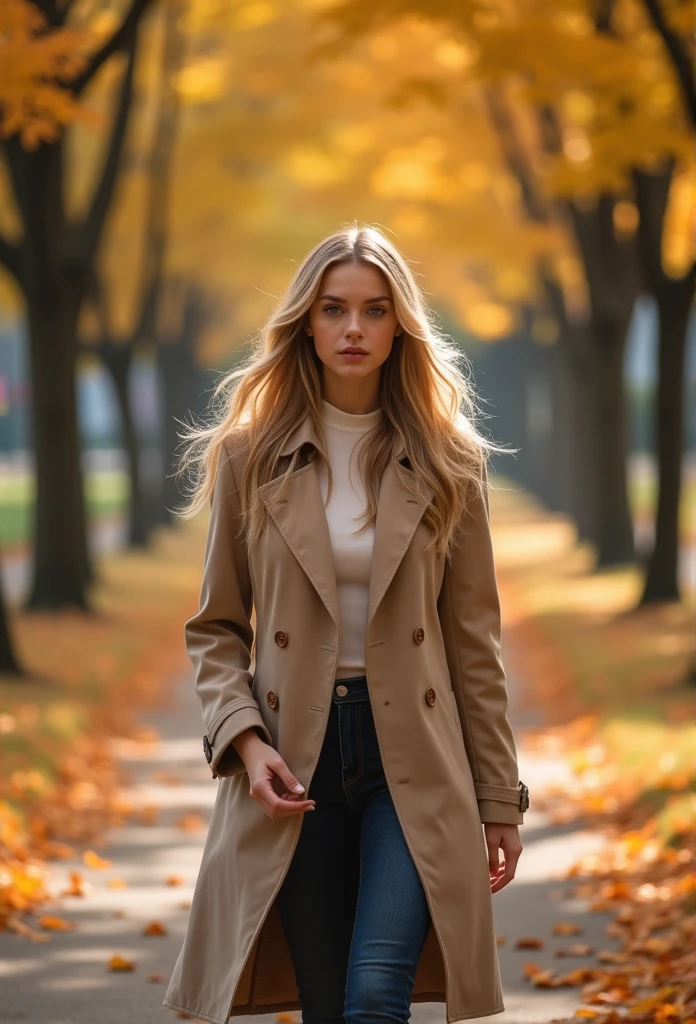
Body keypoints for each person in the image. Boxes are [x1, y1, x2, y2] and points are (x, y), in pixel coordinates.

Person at [163, 224, 529, 1024]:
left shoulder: (450, 461)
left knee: (375, 992)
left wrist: (499, 796)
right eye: (334, 310)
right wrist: (246, 744)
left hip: (416, 762)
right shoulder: (247, 457)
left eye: (373, 310)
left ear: (401, 325)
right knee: (328, 1004)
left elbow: (475, 643)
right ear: (307, 322)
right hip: (296, 760)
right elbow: (216, 628)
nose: (354, 329)